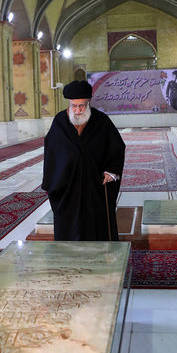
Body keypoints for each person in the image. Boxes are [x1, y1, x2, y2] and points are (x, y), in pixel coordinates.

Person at [42, 80, 126, 241]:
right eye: (74, 105)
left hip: (95, 187)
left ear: (89, 103)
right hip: (67, 187)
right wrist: (54, 182)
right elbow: (51, 153)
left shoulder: (101, 121)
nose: (78, 110)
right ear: (69, 103)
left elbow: (117, 148)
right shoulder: (60, 122)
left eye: (82, 105)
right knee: (70, 229)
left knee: (97, 227)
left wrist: (111, 172)